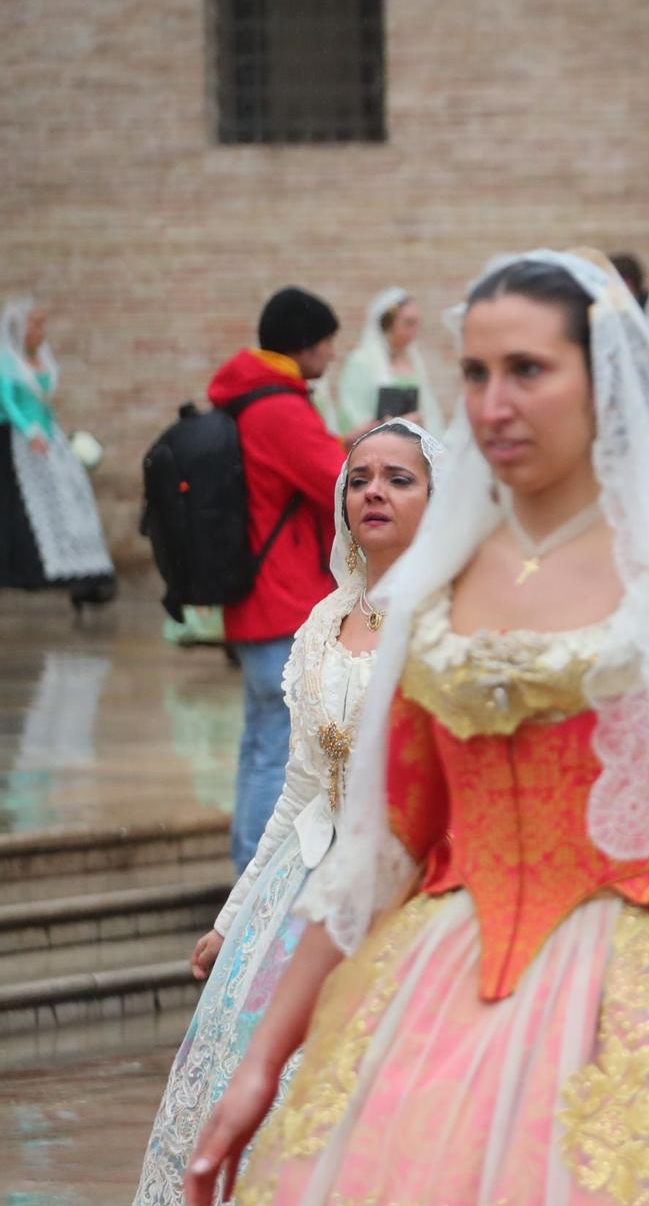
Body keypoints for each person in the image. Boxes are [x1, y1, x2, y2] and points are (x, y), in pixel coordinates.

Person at [184, 251, 649, 1204]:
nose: (494, 404)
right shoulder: (433, 589)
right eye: (478, 373)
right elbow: (385, 849)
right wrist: (259, 1063)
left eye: (528, 370)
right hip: (438, 999)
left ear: (601, 380)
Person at [135, 419, 442, 1206]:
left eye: (399, 478)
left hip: (408, 894)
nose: (373, 490)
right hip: (297, 890)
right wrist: (235, 917)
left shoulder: (447, 624)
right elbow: (301, 789)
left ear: (437, 502)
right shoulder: (320, 624)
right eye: (360, 476)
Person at [207, 287, 350, 872]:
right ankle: (255, 880)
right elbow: (336, 484)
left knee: (260, 744)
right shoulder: (280, 409)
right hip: (282, 601)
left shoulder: (249, 399)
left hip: (256, 603)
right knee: (278, 752)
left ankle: (248, 868)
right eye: (328, 343)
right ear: (307, 343)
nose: (332, 355)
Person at [0, 296, 116, 609]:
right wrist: (28, 431)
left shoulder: (43, 360)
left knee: (72, 493)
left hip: (49, 438)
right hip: (18, 440)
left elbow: (45, 405)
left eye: (42, 324)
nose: (40, 330)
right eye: (34, 324)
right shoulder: (7, 362)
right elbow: (8, 402)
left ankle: (84, 573)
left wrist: (57, 437)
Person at [333, 288, 442, 433]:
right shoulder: (361, 362)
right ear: (388, 323)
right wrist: (392, 428)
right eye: (408, 323)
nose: (414, 331)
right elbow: (353, 414)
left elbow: (429, 410)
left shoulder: (415, 362)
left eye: (417, 324)